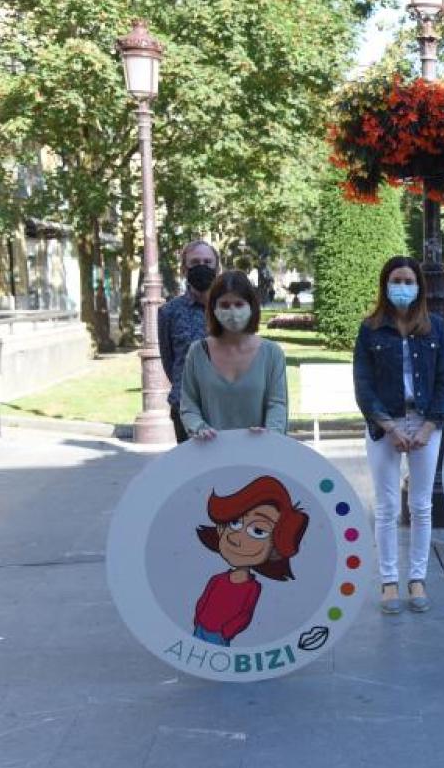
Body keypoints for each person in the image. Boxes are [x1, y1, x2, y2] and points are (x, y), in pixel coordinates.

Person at [353, 256, 444, 614]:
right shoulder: (370, 328)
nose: (403, 286)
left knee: (421, 506)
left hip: (425, 423)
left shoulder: (435, 328)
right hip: (386, 425)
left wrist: (429, 425)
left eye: (409, 280)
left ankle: (417, 579)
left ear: (419, 287)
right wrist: (389, 426)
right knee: (386, 506)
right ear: (385, 284)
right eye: (396, 280)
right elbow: (363, 385)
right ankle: (389, 582)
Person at [192, 475, 309, 646]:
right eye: (234, 523)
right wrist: (197, 621)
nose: (236, 537)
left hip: (219, 637)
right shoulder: (217, 579)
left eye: (258, 531)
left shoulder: (252, 588)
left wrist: (226, 632)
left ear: (274, 551)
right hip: (200, 629)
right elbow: (203, 601)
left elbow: (244, 616)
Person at [179, 270, 288, 439]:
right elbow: (189, 405)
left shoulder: (272, 354)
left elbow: (277, 404)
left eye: (239, 304)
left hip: (260, 452)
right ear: (213, 309)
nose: (232, 311)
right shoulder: (197, 353)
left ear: (251, 306)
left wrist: (270, 433)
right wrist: (199, 428)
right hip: (210, 453)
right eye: (225, 305)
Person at [158, 240, 218, 443]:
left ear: (216, 267)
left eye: (208, 261)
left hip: (224, 405)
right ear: (184, 269)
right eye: (195, 262)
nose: (202, 266)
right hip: (184, 407)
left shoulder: (230, 307)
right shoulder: (169, 312)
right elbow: (169, 361)